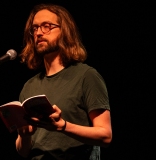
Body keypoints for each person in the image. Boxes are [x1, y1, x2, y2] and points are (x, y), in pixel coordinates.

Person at [15, 3, 112, 160]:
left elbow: (105, 135)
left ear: (65, 32)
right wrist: (24, 135)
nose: (39, 33)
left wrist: (64, 126)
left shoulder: (86, 76)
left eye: (46, 26)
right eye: (35, 28)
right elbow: (23, 151)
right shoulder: (29, 87)